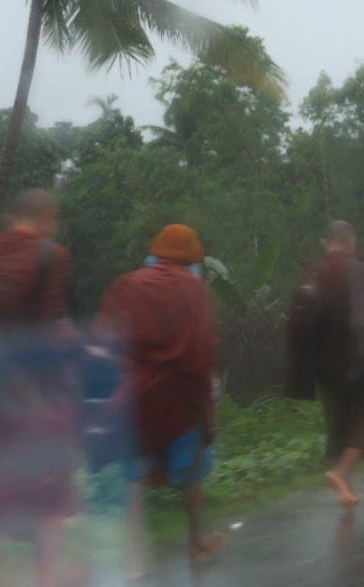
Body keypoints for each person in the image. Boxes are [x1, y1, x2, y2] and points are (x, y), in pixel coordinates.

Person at [0, 189, 79, 587]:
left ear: (14, 216)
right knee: (51, 490)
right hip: (32, 394)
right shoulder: (49, 255)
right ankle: (45, 577)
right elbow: (49, 325)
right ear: (46, 218)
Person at [92, 223, 224, 574]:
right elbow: (201, 351)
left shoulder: (127, 284)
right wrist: (204, 403)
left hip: (134, 395)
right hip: (180, 395)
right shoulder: (193, 290)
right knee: (191, 471)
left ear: (156, 253)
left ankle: (133, 558)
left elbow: (103, 339)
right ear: (192, 258)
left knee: (133, 475)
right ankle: (195, 544)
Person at [285, 221, 364, 506]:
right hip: (356, 360)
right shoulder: (358, 270)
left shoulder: (313, 271)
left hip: (323, 364)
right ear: (350, 242)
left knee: (338, 424)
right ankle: (339, 473)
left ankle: (345, 488)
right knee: (363, 423)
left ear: (327, 243)